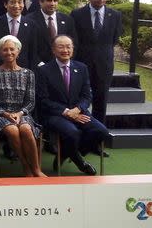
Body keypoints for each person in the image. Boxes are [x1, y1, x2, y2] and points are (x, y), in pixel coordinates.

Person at [36, 35, 110, 175]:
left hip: (79, 111)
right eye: (61, 46)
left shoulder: (81, 68)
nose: (65, 50)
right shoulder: (44, 71)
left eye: (68, 46)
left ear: (73, 49)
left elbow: (87, 95)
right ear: (53, 50)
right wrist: (66, 112)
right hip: (55, 114)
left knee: (101, 131)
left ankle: (65, 152)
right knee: (72, 133)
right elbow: (43, 99)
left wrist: (77, 109)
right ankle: (78, 160)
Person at [0, 36, 45, 177]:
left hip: (22, 114)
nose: (9, 52)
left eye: (12, 49)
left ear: (18, 51)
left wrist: (20, 113)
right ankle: (25, 166)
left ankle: (36, 169)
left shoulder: (28, 74)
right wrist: (6, 114)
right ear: (0, 53)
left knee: (25, 129)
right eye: (5, 50)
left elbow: (31, 102)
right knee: (12, 130)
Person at [71, 0, 123, 128]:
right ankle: (79, 133)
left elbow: (114, 39)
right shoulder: (77, 14)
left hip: (104, 64)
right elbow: (75, 39)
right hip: (81, 64)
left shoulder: (115, 15)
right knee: (79, 100)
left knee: (101, 100)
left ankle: (98, 137)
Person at [25, 0, 77, 66]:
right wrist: (40, 64)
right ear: (41, 2)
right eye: (49, 0)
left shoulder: (67, 19)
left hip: (63, 65)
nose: (52, 4)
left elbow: (74, 42)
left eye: (55, 1)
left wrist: (67, 61)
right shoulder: (29, 20)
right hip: (39, 66)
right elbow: (28, 45)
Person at [0, 0, 36, 69]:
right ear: (5, 4)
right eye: (12, 2)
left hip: (23, 70)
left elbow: (33, 52)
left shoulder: (31, 24)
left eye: (20, 2)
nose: (16, 6)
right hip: (0, 69)